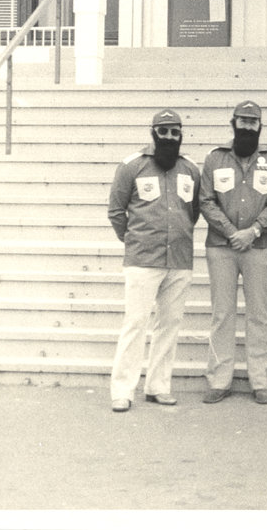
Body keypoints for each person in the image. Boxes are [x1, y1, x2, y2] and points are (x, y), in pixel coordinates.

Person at [107, 109, 202, 413]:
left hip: (179, 258)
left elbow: (194, 211)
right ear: (153, 133)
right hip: (142, 259)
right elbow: (116, 212)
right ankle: (122, 390)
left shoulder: (190, 170)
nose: (170, 137)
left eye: (175, 132)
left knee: (169, 324)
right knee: (135, 323)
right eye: (164, 132)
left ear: (181, 135)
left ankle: (158, 386)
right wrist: (135, 239)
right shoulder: (131, 167)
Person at [199, 100, 267, 405]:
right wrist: (231, 232)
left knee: (259, 315)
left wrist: (254, 231)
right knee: (222, 314)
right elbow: (206, 200)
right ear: (232, 122)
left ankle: (260, 381)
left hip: (259, 246)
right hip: (221, 247)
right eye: (243, 121)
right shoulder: (215, 159)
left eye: (253, 122)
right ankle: (219, 380)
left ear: (260, 126)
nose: (247, 127)